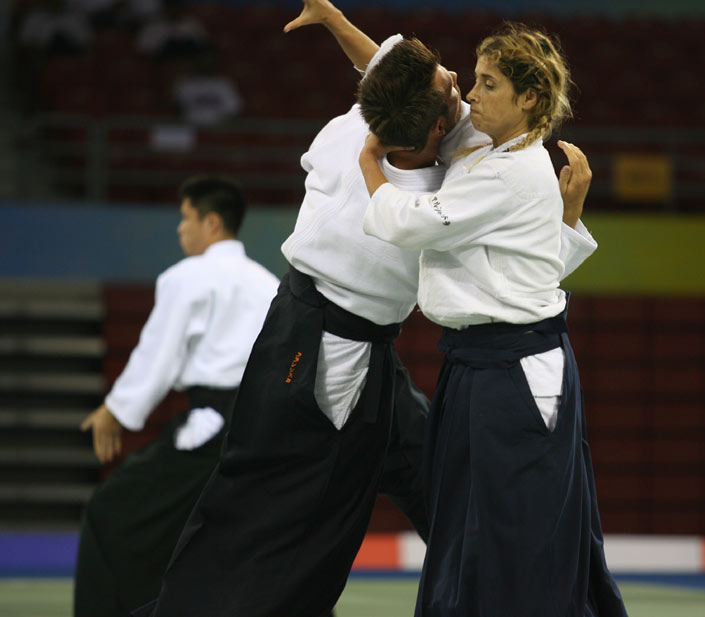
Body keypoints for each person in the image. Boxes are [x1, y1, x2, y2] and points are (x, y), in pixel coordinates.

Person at [136, 3, 598, 617]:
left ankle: (480, 591)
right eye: (453, 83)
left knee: (434, 474)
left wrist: (333, 19)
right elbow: (461, 248)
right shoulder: (420, 193)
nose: (461, 85)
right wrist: (561, 223)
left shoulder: (366, 119)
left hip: (351, 338)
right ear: (435, 130)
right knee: (287, 507)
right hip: (325, 351)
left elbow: (383, 64)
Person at [359, 23, 629, 617]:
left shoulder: (515, 171)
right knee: (464, 526)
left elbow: (408, 222)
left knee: (518, 536)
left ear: (528, 98)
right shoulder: (484, 142)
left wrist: (369, 160)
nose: (471, 93)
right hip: (476, 363)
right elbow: (399, 78)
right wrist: (334, 21)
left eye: (488, 83)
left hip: (515, 370)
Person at [75, 176, 280, 617]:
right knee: (256, 537)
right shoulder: (269, 284)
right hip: (265, 427)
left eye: (186, 218)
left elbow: (158, 354)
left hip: (212, 428)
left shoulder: (186, 277)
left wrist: (115, 410)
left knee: (110, 514)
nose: (179, 228)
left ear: (212, 223)